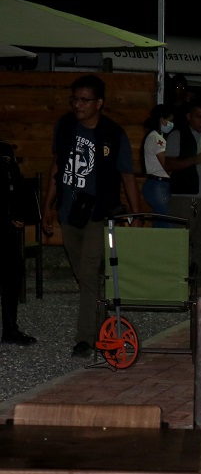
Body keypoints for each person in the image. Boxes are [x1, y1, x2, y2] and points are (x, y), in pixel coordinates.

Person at [41, 74, 141, 357]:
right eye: (75, 99)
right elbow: (57, 166)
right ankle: (102, 321)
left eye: (85, 100)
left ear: (100, 103)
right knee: (84, 275)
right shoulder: (64, 126)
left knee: (87, 271)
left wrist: (136, 214)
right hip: (69, 211)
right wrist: (47, 205)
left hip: (99, 212)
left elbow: (127, 175)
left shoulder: (112, 133)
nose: (78, 105)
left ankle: (85, 337)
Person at [164, 97, 201, 292]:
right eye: (199, 117)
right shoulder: (177, 135)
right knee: (180, 244)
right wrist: (195, 160)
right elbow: (169, 164)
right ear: (189, 117)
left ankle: (199, 284)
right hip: (184, 197)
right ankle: (177, 284)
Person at [0, 138, 37, 345]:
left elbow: (16, 182)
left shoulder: (4, 150)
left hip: (5, 225)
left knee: (12, 273)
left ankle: (10, 329)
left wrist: (19, 212)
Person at [140, 104, 175, 226]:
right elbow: (166, 164)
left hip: (157, 185)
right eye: (170, 120)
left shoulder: (155, 136)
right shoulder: (156, 138)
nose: (171, 124)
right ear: (162, 120)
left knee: (160, 222)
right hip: (158, 185)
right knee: (166, 223)